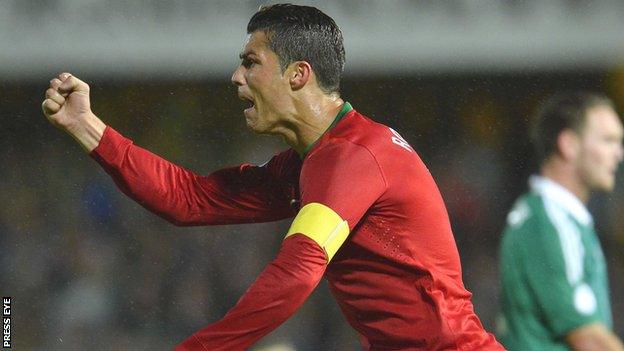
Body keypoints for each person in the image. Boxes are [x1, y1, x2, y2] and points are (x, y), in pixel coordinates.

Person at [42, 4, 503, 351]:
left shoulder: (353, 157)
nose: (236, 77)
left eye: (251, 62)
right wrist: (86, 126)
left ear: (298, 75)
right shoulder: (310, 162)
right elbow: (191, 199)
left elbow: (297, 272)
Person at [498, 92, 624, 351]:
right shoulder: (549, 223)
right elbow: (588, 339)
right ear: (569, 144)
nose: (618, 154)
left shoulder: (553, 217)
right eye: (608, 140)